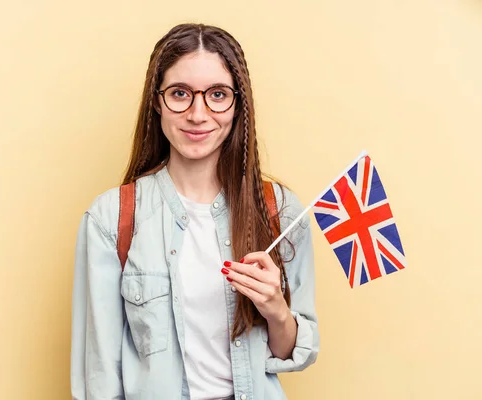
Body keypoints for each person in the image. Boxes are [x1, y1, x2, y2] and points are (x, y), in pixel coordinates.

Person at [70, 23, 319, 400]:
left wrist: (276, 311)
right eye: (180, 94)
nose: (198, 114)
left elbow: (294, 353)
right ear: (157, 101)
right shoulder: (112, 219)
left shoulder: (279, 211)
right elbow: (99, 375)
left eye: (217, 94)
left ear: (237, 104)